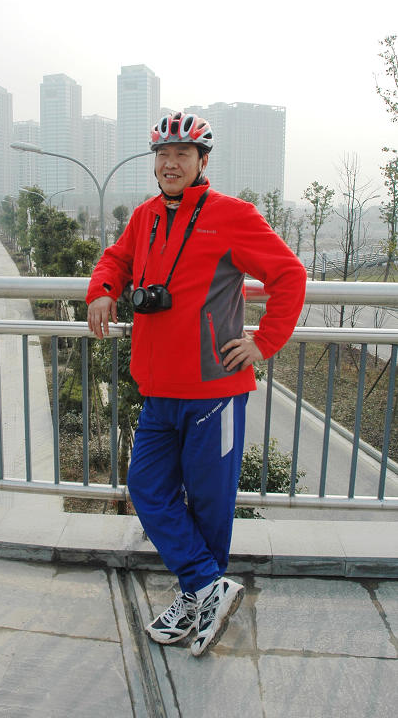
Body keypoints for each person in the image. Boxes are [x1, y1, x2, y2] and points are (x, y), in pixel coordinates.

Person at [87, 111, 306, 656]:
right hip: (158, 390)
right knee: (146, 490)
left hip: (215, 392)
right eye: (162, 154)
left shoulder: (232, 215)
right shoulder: (145, 217)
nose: (170, 163)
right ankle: (209, 587)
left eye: (182, 153)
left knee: (209, 504)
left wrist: (264, 342)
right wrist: (103, 290)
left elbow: (289, 275)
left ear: (202, 160)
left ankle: (196, 596)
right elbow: (116, 259)